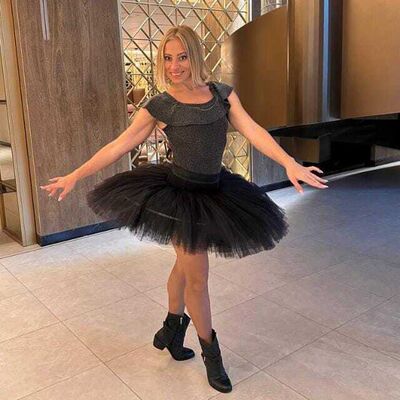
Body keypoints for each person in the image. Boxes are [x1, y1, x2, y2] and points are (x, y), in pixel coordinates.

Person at [40, 25, 328, 394]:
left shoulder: (222, 95)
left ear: (195, 56)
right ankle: (212, 354)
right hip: (179, 196)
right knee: (197, 278)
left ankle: (171, 330)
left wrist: (289, 162)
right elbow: (119, 145)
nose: (174, 66)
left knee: (184, 266)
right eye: (167, 58)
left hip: (216, 192)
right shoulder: (160, 105)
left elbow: (253, 130)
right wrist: (76, 175)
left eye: (182, 57)